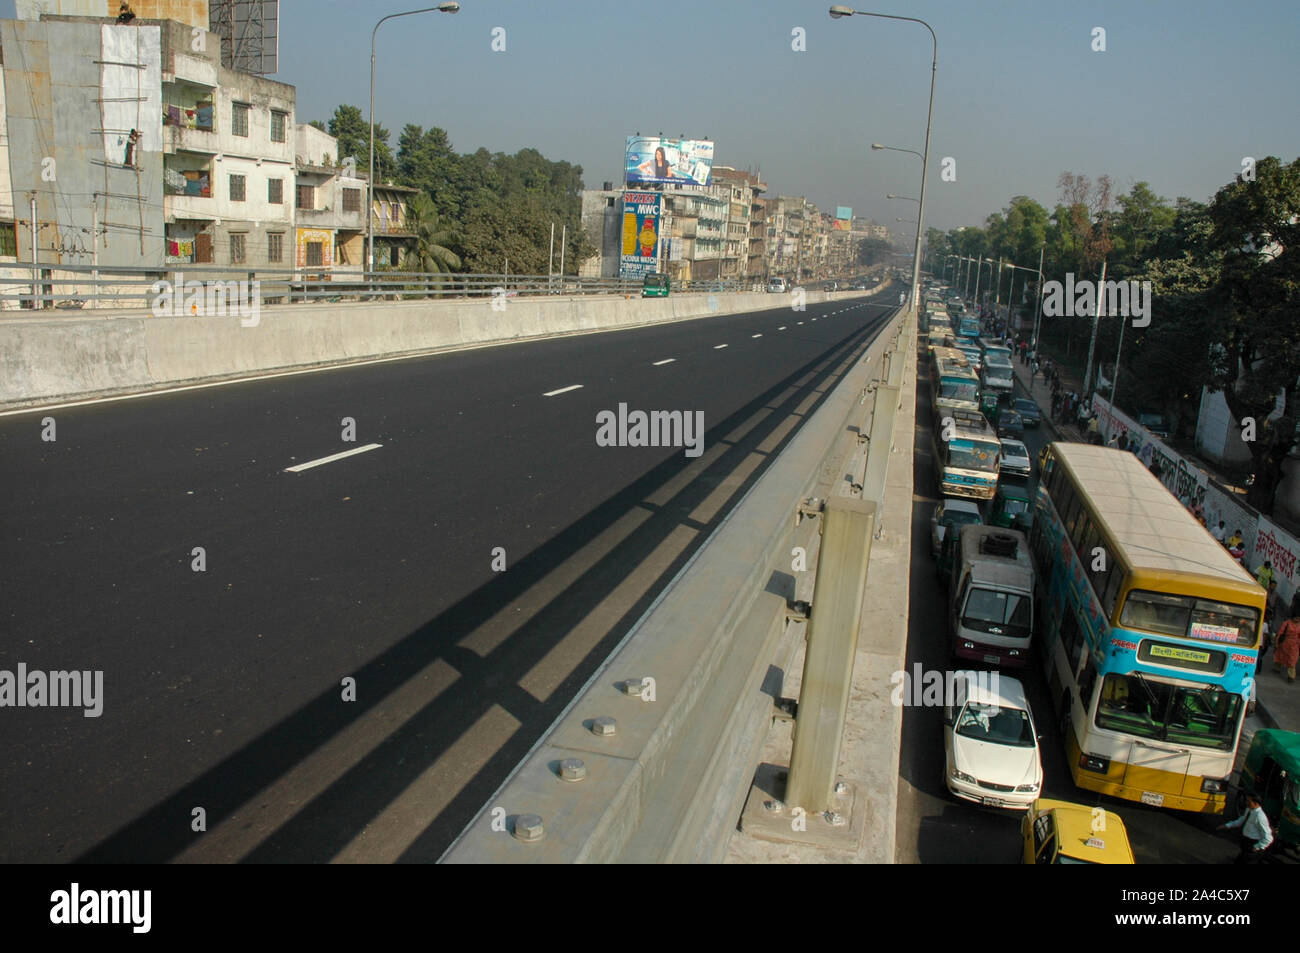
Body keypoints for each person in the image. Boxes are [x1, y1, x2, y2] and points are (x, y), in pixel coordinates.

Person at [1218, 791, 1273, 863]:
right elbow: (1242, 819)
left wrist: (1257, 846)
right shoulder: (1249, 810)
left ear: (1255, 803)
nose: (1246, 803)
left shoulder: (1260, 817)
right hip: (1246, 842)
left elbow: (1268, 837)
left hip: (1252, 844)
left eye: (1248, 801)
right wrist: (1228, 825)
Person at [1273, 608, 1300, 682]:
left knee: (1292, 660)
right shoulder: (1287, 623)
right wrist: (1277, 642)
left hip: (1295, 645)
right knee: (1280, 655)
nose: (1297, 619)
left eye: (1299, 618)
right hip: (1285, 643)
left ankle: (1291, 676)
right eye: (1296, 618)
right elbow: (1280, 633)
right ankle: (1277, 668)